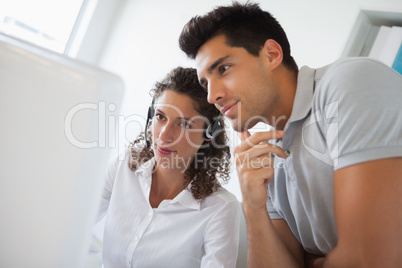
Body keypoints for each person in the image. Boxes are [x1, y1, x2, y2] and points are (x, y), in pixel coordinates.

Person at [179, 2, 402, 268]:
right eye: (205, 83)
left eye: (223, 69)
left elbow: (371, 258)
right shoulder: (266, 158)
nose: (211, 95)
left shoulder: (348, 82)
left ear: (272, 54)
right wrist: (252, 207)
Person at [96, 67, 241, 267]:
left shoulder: (219, 209)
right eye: (160, 117)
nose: (164, 136)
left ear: (208, 134)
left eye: (184, 124)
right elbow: (73, 220)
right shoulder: (124, 166)